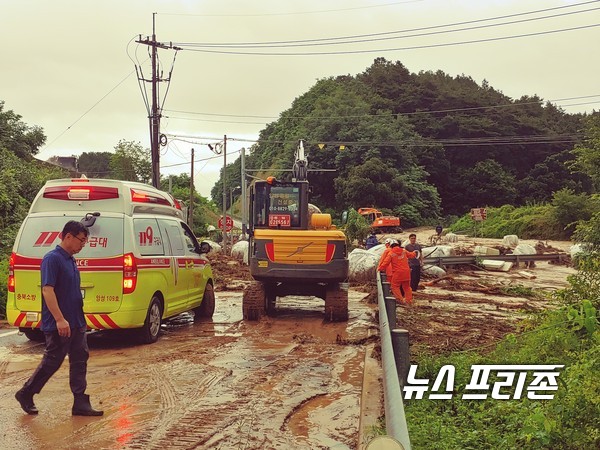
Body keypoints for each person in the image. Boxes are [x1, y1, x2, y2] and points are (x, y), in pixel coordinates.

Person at [15, 220, 103, 416]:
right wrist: (59, 319)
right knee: (52, 361)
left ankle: (80, 402)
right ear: (68, 236)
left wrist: (80, 320)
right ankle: (26, 393)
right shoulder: (52, 259)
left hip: (77, 322)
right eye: (81, 240)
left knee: (80, 359)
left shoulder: (70, 259)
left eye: (85, 241)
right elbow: (48, 290)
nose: (83, 244)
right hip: (59, 323)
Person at [377, 241, 417, 305]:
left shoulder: (391, 253)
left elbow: (385, 263)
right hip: (407, 273)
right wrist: (415, 253)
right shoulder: (404, 251)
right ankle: (409, 301)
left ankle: (400, 300)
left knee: (394, 286)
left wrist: (379, 268)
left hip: (397, 273)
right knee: (407, 287)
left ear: (391, 247)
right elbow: (411, 255)